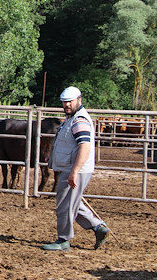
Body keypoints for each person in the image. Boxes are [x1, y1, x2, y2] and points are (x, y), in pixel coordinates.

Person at [42, 86, 110, 251]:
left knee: (64, 205)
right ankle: (98, 227)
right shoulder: (71, 119)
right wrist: (54, 157)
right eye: (64, 102)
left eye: (70, 102)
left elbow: (85, 146)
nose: (66, 105)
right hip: (71, 168)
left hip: (75, 169)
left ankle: (63, 240)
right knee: (72, 202)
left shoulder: (80, 120)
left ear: (79, 100)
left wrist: (74, 171)